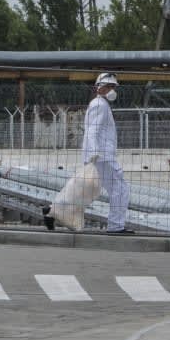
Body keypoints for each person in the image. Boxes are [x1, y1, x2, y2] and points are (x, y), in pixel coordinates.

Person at [44, 71, 132, 234]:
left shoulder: (99, 104)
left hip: (98, 155)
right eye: (109, 86)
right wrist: (94, 152)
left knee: (84, 189)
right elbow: (92, 131)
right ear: (99, 87)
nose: (112, 90)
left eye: (113, 86)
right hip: (102, 156)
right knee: (120, 189)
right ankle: (115, 226)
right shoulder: (99, 105)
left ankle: (52, 210)